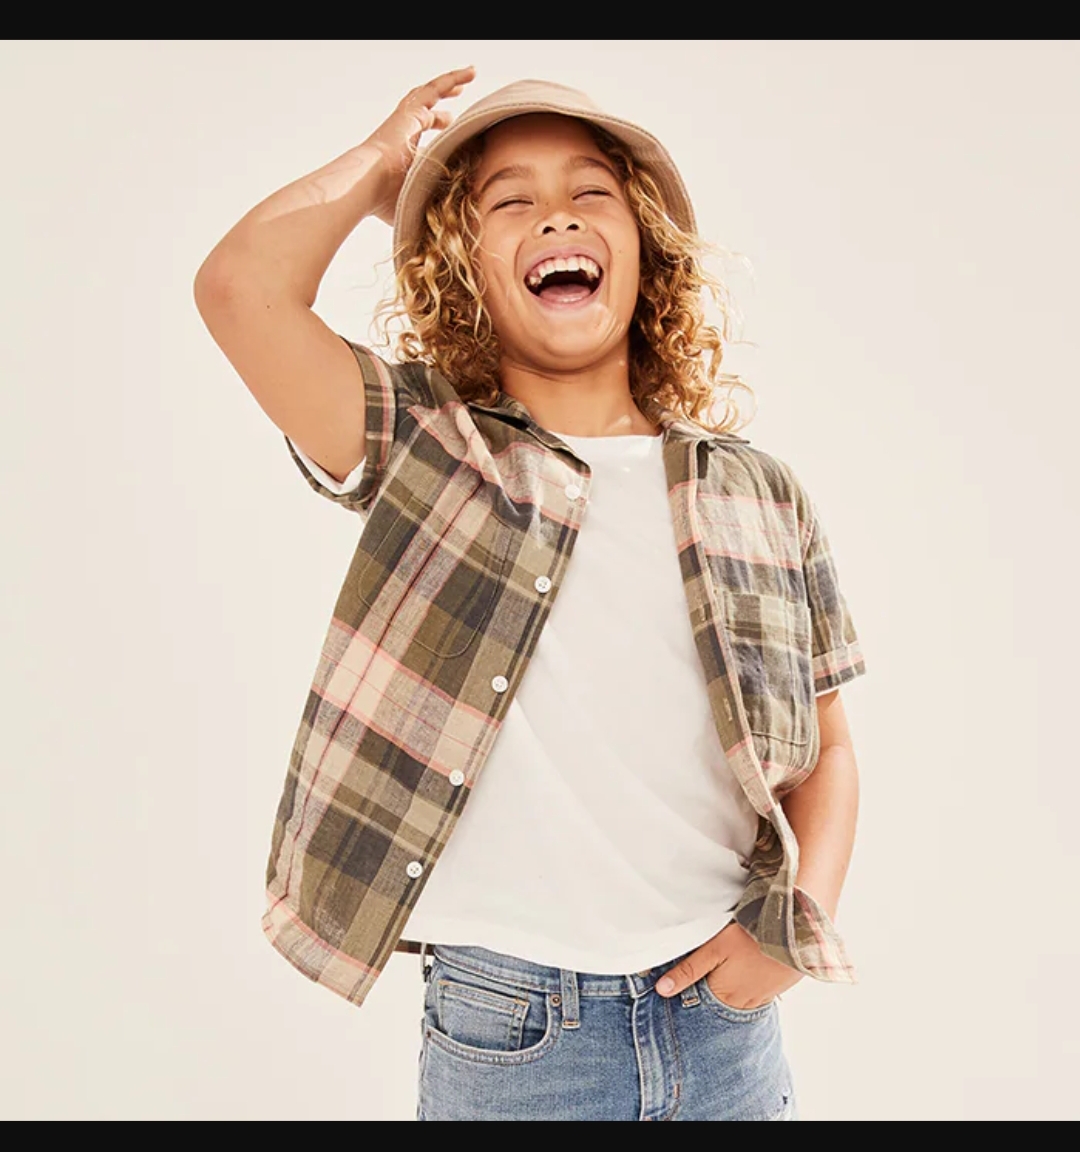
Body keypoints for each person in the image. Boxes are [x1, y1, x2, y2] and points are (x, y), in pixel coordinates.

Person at [194, 67, 867, 1122]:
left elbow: (825, 748)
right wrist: (384, 170)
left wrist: (796, 925)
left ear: (646, 249)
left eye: (589, 192)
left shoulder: (757, 490)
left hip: (726, 1020)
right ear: (468, 270)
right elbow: (240, 291)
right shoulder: (429, 444)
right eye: (508, 201)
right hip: (512, 1030)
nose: (554, 211)